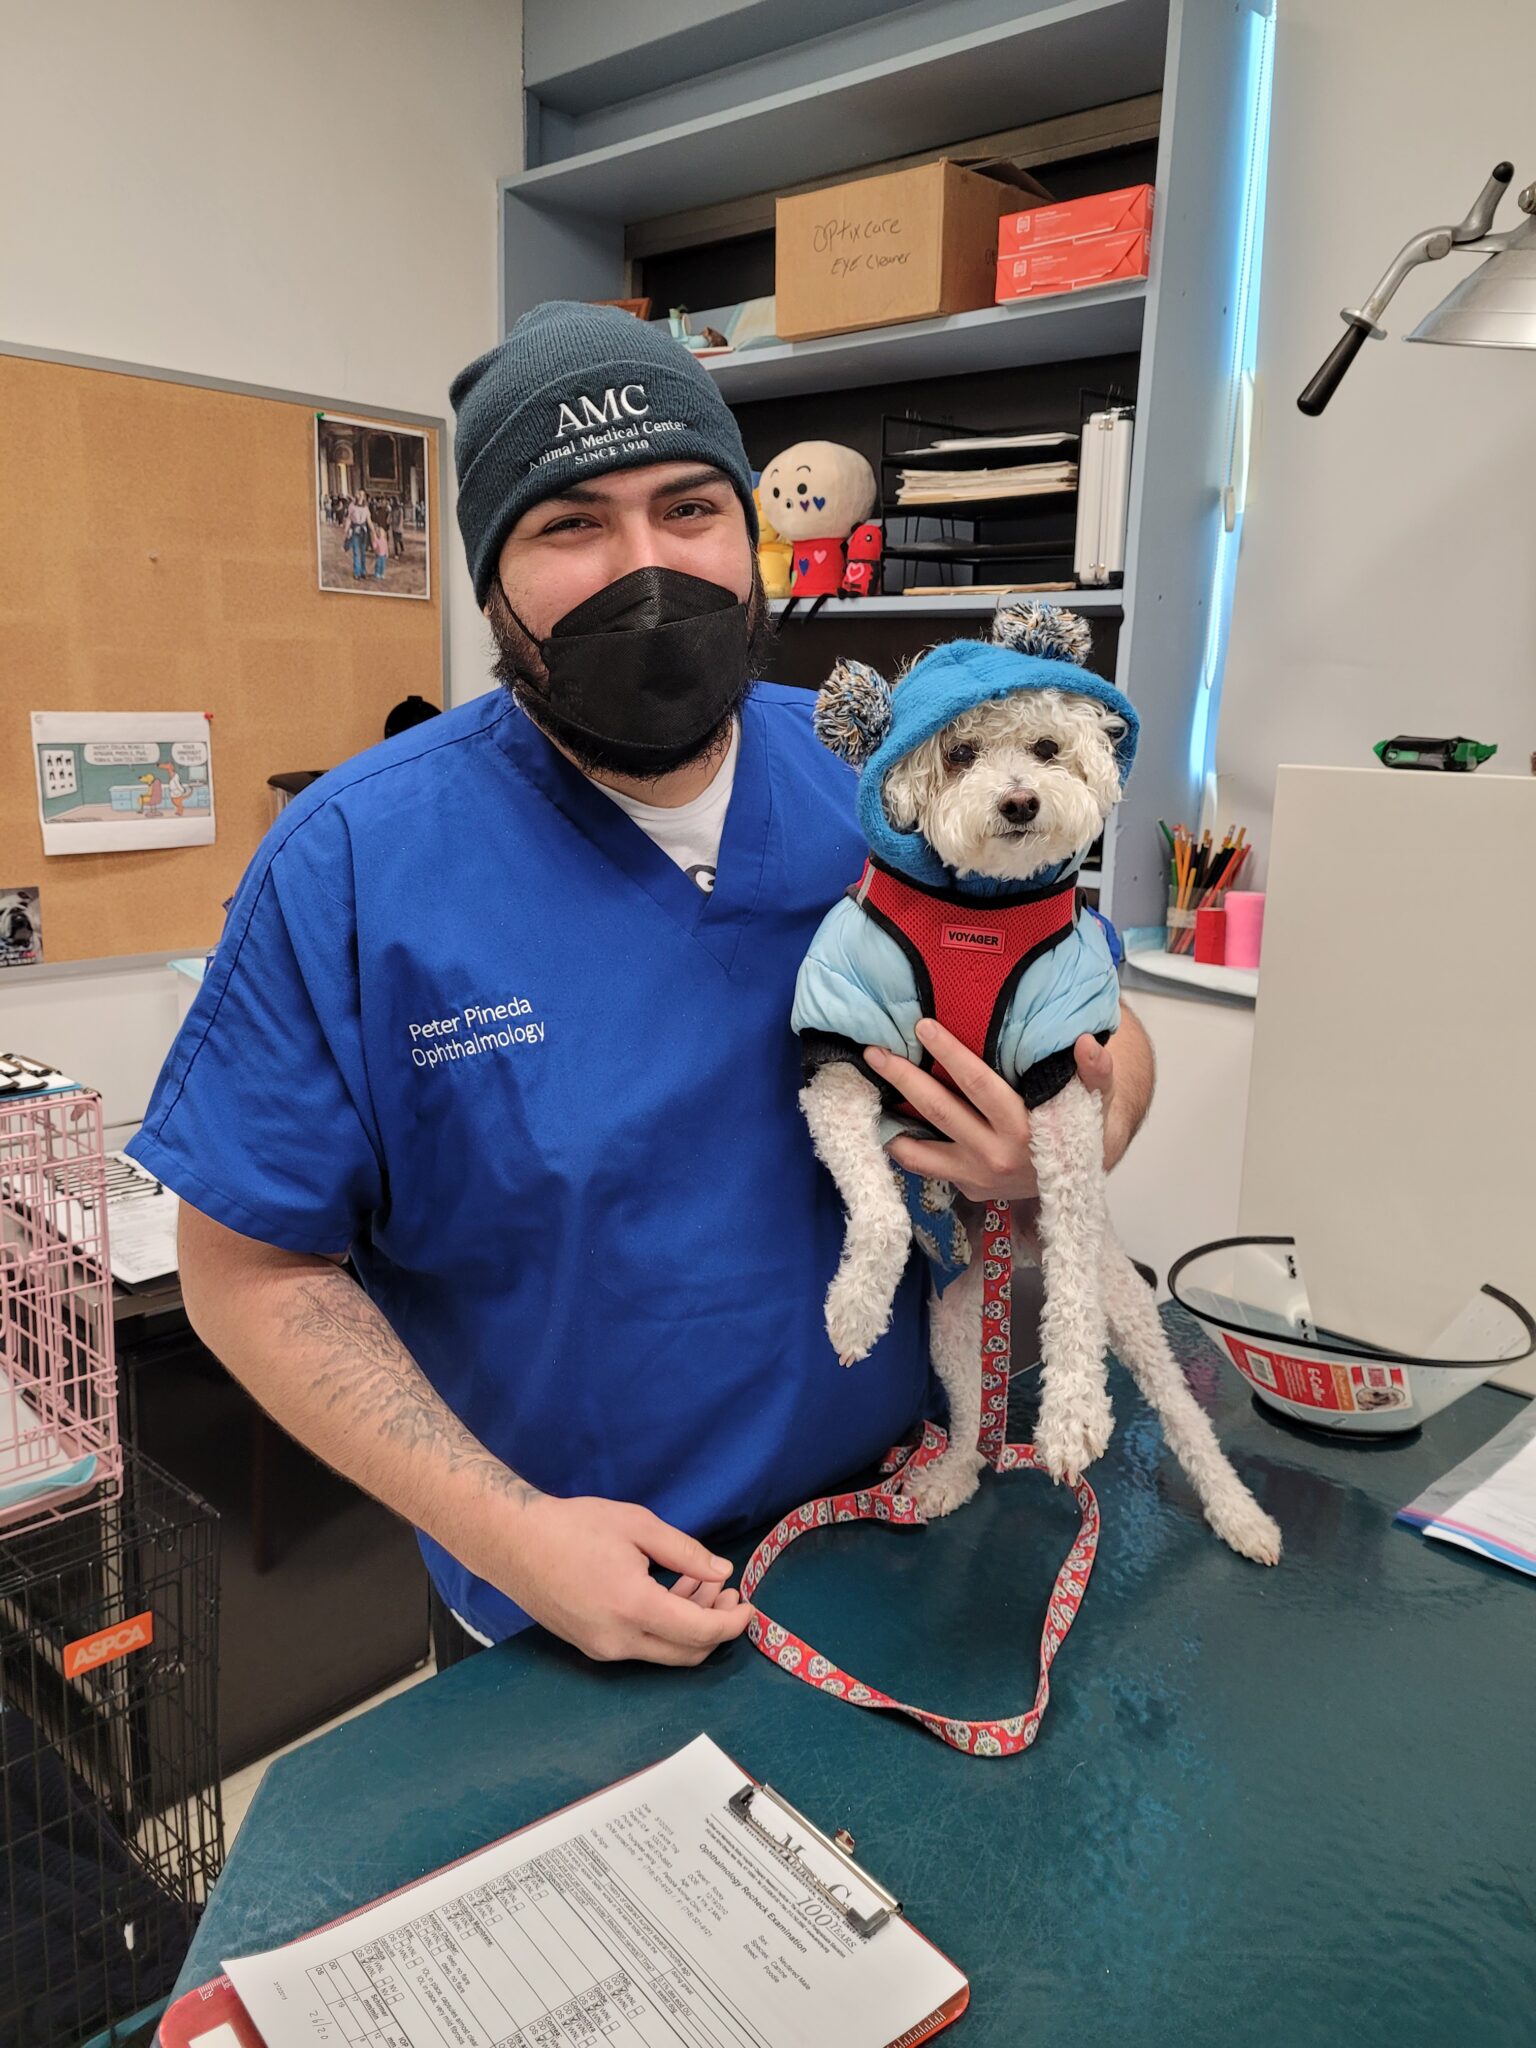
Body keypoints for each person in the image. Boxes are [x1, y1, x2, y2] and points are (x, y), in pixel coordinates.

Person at [127, 302, 1154, 1672]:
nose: (649, 569)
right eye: (570, 525)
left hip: (903, 1518)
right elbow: (250, 1273)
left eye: (688, 508)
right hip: (561, 1605)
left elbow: (1103, 1028)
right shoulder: (357, 863)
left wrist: (1052, 1151)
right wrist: (507, 1534)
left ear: (750, 531)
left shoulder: (903, 785)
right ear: (491, 580)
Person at [344, 492, 370, 579]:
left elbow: (368, 520)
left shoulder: (366, 507)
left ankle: (363, 571)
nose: (360, 496)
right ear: (357, 495)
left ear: (364, 497)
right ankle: (357, 572)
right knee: (356, 552)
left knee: (363, 552)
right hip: (355, 530)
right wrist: (346, 530)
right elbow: (349, 518)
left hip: (363, 531)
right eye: (359, 494)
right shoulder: (352, 506)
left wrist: (373, 532)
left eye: (362, 495)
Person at [370, 513, 389, 582]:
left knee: (383, 565)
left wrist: (387, 553)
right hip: (378, 555)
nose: (381, 534)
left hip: (383, 555)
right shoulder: (377, 540)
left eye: (382, 533)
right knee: (377, 565)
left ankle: (381, 573)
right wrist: (374, 541)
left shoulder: (384, 540)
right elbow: (374, 546)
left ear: (384, 534)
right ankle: (377, 573)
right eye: (379, 533)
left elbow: (386, 547)